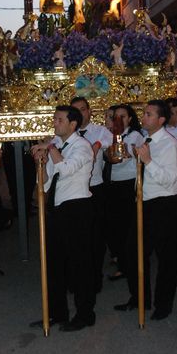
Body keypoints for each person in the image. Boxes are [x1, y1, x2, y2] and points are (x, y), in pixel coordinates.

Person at [30, 105, 96, 331]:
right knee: (53, 264)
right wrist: (40, 163)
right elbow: (46, 182)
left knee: (79, 264)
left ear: (72, 124)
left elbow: (66, 169)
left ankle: (85, 314)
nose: (55, 123)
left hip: (77, 208)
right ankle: (57, 312)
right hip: (57, 207)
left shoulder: (83, 147)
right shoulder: (56, 146)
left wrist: (50, 148)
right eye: (55, 119)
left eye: (59, 119)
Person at [114, 100, 177, 320]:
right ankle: (140, 298)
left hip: (163, 204)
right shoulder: (146, 139)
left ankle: (164, 303)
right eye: (144, 113)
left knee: (166, 257)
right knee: (132, 253)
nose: (144, 117)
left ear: (161, 120)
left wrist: (148, 160)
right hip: (143, 202)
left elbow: (170, 180)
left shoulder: (170, 144)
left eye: (149, 114)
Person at [71, 96, 113, 293]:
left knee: (96, 237)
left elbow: (109, 140)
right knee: (76, 237)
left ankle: (95, 278)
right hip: (72, 191)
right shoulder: (68, 133)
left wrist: (95, 145)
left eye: (83, 109)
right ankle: (77, 278)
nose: (80, 113)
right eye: (76, 110)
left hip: (95, 188)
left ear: (89, 111)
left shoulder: (100, 131)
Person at [105, 104, 145, 281]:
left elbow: (139, 156)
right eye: (116, 117)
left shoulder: (135, 135)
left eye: (123, 116)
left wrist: (130, 152)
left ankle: (129, 266)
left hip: (128, 183)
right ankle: (121, 261)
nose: (119, 120)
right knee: (115, 227)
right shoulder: (109, 135)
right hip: (112, 183)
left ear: (129, 119)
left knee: (127, 227)